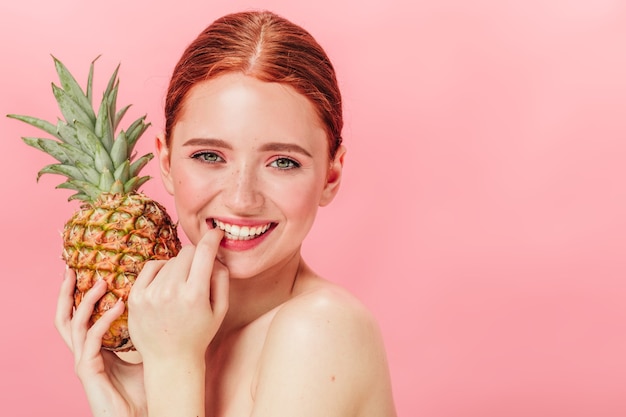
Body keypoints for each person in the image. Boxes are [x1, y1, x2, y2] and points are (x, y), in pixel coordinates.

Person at [55, 10, 397, 417]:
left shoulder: (321, 330)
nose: (241, 199)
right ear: (165, 162)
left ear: (331, 175)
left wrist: (171, 368)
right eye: (209, 155)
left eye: (283, 162)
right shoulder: (175, 339)